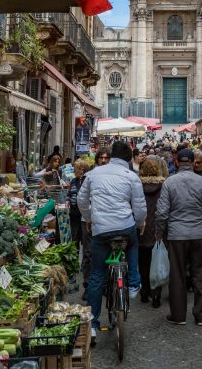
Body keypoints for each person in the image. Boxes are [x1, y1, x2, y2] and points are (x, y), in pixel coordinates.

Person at [77, 142, 147, 343]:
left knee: (98, 274)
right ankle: (133, 283)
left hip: (101, 230)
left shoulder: (94, 174)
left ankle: (93, 324)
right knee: (133, 244)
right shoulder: (131, 176)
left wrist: (89, 218)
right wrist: (140, 223)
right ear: (127, 159)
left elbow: (82, 201)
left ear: (110, 155)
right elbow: (140, 207)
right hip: (125, 227)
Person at [155, 149, 202, 326]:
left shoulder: (169, 183)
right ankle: (201, 316)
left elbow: (161, 212)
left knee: (177, 275)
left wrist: (159, 232)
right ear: (192, 163)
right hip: (200, 234)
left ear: (176, 162)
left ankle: (178, 315)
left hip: (176, 235)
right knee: (201, 275)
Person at [138, 159, 166, 308]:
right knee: (157, 262)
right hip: (157, 229)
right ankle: (156, 295)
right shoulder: (163, 186)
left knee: (143, 264)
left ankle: (144, 292)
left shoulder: (137, 185)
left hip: (142, 229)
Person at [66, 158, 91, 300]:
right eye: (75, 168)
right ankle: (74, 270)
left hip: (85, 218)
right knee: (74, 243)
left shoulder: (87, 181)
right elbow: (70, 195)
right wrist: (68, 201)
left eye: (77, 168)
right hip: (74, 217)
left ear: (83, 169)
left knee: (86, 247)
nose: (75, 170)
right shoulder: (74, 181)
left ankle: (86, 274)